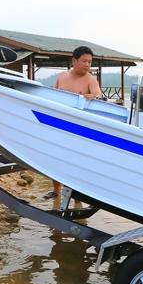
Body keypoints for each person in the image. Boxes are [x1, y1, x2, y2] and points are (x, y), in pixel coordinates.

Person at [48, 46, 103, 201]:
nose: (87, 65)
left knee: (76, 161)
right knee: (56, 157)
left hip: (78, 127)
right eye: (84, 61)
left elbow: (98, 95)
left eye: (90, 62)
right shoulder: (61, 77)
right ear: (74, 60)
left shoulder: (90, 79)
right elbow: (52, 96)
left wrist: (92, 96)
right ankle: (56, 190)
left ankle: (77, 195)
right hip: (59, 123)